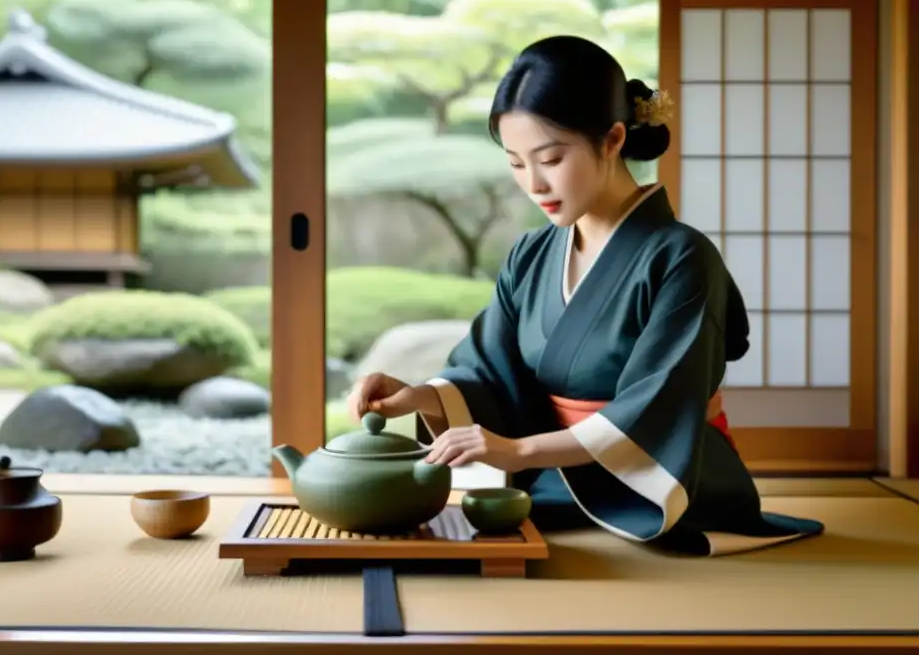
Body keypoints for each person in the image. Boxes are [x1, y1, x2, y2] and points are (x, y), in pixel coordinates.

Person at [346, 35, 824, 557]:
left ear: (613, 138)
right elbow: (489, 369)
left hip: (661, 485)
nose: (533, 183)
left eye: (550, 158)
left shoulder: (682, 258)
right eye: (515, 163)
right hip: (555, 480)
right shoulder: (531, 253)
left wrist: (520, 450)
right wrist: (419, 395)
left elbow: (660, 406)